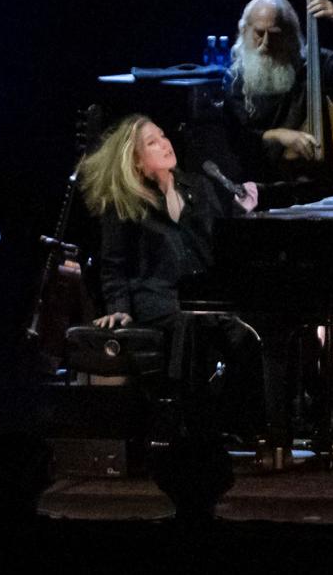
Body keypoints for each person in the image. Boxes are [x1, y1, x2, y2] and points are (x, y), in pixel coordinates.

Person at [78, 114, 268, 443]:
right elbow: (113, 264)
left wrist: (240, 213)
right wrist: (119, 306)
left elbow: (218, 245)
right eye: (152, 142)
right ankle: (190, 423)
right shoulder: (123, 203)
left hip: (203, 294)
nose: (165, 144)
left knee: (248, 334)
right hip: (157, 297)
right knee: (191, 323)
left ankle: (242, 422)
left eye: (163, 135)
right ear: (135, 161)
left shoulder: (197, 188)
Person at [223, 0, 333, 186]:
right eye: (259, 33)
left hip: (318, 183)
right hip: (262, 185)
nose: (266, 44)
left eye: (275, 35)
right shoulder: (235, 79)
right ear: (245, 30)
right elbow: (239, 138)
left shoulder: (313, 64)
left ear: (290, 35)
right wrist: (278, 135)